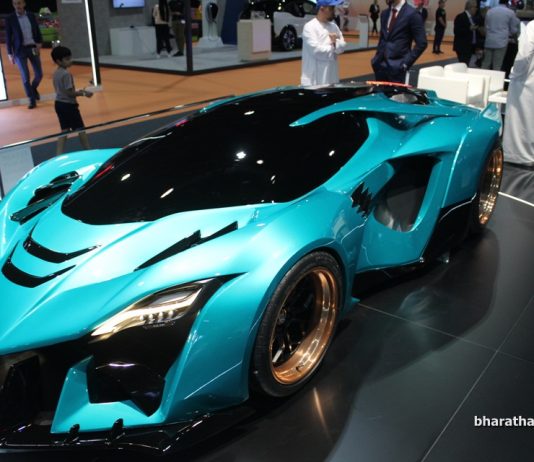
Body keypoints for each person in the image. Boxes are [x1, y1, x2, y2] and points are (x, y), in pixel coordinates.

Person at [371, 0, 427, 83]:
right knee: (380, 92)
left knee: (396, 92)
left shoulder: (413, 14)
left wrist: (405, 64)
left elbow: (422, 43)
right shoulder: (384, 14)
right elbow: (383, 38)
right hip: (380, 67)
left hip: (398, 69)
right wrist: (376, 58)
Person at [51, 46, 93, 155]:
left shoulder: (56, 73)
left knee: (64, 130)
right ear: (58, 61)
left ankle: (58, 154)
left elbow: (63, 90)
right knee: (80, 129)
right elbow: (70, 93)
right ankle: (88, 150)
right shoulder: (66, 74)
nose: (70, 61)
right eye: (67, 59)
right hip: (69, 105)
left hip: (58, 104)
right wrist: (84, 93)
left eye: (70, 58)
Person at [503, 21, 534, 166]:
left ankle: (518, 155)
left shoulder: (532, 26)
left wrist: (514, 74)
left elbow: (523, 55)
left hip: (526, 82)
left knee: (521, 118)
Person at [5, 0, 43, 109]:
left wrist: (39, 42)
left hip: (33, 48)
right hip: (19, 51)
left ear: (24, 4)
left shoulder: (31, 15)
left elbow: (37, 30)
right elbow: (8, 37)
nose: (17, 5)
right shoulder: (10, 18)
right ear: (13, 5)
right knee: (25, 77)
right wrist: (9, 53)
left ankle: (33, 88)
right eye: (15, 3)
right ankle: (31, 99)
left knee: (39, 74)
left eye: (19, 3)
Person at [300, 0, 347, 86]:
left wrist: (335, 43)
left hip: (332, 78)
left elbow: (342, 46)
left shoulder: (334, 26)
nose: (334, 11)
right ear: (322, 8)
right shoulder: (310, 27)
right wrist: (334, 46)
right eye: (331, 8)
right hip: (314, 81)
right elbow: (316, 51)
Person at [481, 0, 520, 70]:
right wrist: (516, 40)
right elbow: (513, 30)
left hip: (489, 40)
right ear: (507, 2)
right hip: (501, 42)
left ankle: (481, 77)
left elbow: (486, 27)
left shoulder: (490, 11)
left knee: (485, 64)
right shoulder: (510, 12)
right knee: (497, 65)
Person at [453, 1, 480, 65]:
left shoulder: (472, 18)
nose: (476, 9)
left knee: (466, 64)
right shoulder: (461, 16)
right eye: (475, 7)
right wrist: (469, 29)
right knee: (463, 64)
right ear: (470, 7)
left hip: (469, 46)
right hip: (463, 47)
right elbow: (456, 31)